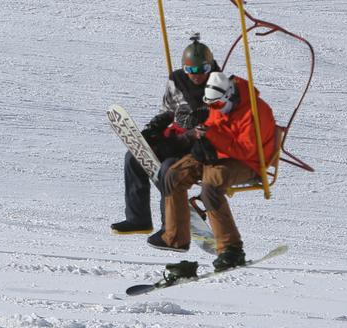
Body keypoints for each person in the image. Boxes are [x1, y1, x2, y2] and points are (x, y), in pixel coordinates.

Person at [147, 70, 277, 271]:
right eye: (211, 105)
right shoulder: (219, 104)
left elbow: (246, 149)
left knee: (211, 187)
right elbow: (212, 127)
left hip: (248, 162)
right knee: (173, 174)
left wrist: (213, 138)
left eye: (216, 104)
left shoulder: (255, 111)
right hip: (219, 154)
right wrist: (199, 138)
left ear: (229, 95)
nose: (214, 108)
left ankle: (231, 250)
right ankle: (175, 237)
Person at [110, 34, 220, 235]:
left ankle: (170, 227)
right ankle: (138, 219)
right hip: (176, 138)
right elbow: (169, 109)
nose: (196, 75)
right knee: (133, 158)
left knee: (168, 169)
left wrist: (194, 134)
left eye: (202, 69)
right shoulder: (177, 81)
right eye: (191, 70)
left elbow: (218, 124)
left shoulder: (218, 86)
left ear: (210, 67)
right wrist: (154, 129)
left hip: (199, 148)